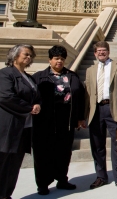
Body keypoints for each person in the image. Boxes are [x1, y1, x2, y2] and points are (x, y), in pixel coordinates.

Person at [32, 45, 86, 195]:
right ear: (50, 60)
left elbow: (81, 98)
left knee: (63, 153)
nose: (59, 61)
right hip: (45, 123)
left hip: (66, 122)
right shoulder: (39, 77)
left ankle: (62, 179)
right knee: (43, 154)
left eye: (62, 59)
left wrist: (80, 118)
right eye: (56, 58)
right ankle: (43, 183)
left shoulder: (72, 76)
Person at [84, 40, 117, 190]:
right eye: (98, 51)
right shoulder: (90, 70)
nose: (101, 53)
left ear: (108, 51)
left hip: (114, 109)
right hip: (96, 110)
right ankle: (101, 176)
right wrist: (84, 115)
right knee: (97, 146)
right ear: (95, 53)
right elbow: (88, 94)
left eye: (104, 50)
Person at [0, 44, 40, 199]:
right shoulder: (5, 74)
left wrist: (37, 105)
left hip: (23, 128)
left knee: (14, 165)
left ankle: (6, 194)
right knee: (3, 163)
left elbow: (36, 97)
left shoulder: (28, 78)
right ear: (15, 56)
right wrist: (28, 107)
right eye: (26, 54)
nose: (29, 57)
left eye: (31, 55)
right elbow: (5, 96)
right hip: (8, 127)